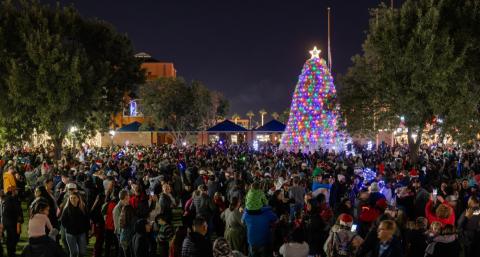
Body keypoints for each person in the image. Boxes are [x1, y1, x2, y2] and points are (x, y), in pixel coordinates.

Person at [61, 192, 90, 257]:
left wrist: (87, 229)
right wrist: (69, 227)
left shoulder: (83, 208)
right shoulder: (67, 209)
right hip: (70, 234)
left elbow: (87, 220)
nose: (72, 199)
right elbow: (63, 221)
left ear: (78, 199)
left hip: (81, 233)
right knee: (73, 253)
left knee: (83, 252)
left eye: (74, 198)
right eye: (71, 198)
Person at [2, 185, 23, 257]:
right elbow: (15, 210)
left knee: (13, 237)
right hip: (10, 222)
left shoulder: (12, 198)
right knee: (12, 237)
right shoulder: (10, 199)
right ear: (12, 191)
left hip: (11, 222)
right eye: (16, 190)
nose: (17, 191)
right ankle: (11, 253)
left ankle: (11, 252)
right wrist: (18, 220)